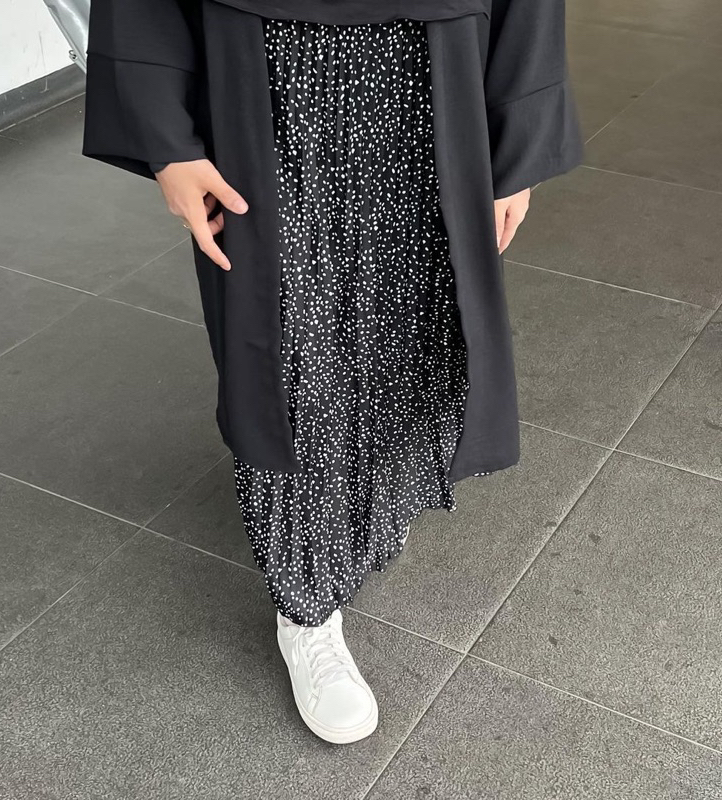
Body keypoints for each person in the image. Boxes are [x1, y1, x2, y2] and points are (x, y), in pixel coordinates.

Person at [83, 0, 582, 745]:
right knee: (289, 346)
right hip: (268, 58)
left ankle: (366, 514)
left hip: (430, 58)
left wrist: (519, 137)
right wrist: (165, 136)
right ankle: (307, 602)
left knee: (410, 324)